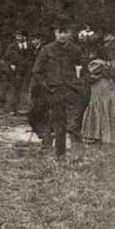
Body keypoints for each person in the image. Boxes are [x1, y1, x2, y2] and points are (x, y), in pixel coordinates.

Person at [31, 21, 86, 160]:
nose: (62, 35)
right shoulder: (47, 50)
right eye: (59, 32)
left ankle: (77, 156)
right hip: (54, 92)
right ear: (55, 33)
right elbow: (37, 71)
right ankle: (60, 154)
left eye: (65, 32)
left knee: (74, 123)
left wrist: (79, 84)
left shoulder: (75, 50)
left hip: (72, 91)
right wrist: (47, 86)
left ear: (69, 33)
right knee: (59, 123)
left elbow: (83, 69)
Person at [80, 44, 115, 145]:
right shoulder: (110, 63)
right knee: (108, 107)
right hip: (109, 86)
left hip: (100, 87)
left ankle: (96, 134)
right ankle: (110, 134)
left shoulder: (96, 63)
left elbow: (93, 76)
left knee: (98, 106)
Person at [4, 30, 33, 115]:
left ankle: (26, 109)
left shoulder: (30, 46)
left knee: (27, 88)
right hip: (16, 71)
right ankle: (13, 109)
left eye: (20, 36)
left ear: (25, 37)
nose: (18, 38)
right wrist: (11, 65)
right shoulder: (12, 47)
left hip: (28, 71)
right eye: (17, 36)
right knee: (16, 89)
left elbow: (33, 57)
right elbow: (6, 58)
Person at [26, 33, 48, 139]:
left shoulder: (44, 50)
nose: (32, 42)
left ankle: (42, 131)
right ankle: (40, 130)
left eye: (34, 39)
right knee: (33, 110)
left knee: (38, 110)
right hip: (36, 83)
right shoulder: (33, 50)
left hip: (42, 84)